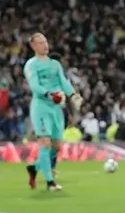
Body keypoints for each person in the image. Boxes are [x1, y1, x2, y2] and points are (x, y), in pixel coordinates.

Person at [24, 34, 83, 190]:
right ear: (33, 46)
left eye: (45, 42)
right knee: (45, 143)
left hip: (56, 108)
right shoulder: (31, 65)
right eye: (40, 43)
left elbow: (63, 82)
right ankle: (50, 182)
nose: (45, 45)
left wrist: (73, 95)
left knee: (56, 147)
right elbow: (34, 85)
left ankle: (34, 168)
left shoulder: (55, 64)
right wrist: (50, 94)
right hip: (41, 107)